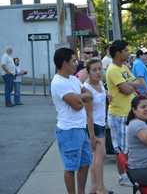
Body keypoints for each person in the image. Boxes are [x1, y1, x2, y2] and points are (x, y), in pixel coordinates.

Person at [51, 48, 95, 194]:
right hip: (68, 130)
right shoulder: (58, 82)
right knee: (70, 168)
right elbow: (77, 106)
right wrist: (81, 98)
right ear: (64, 63)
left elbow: (89, 95)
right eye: (73, 61)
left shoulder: (74, 79)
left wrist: (79, 97)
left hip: (80, 128)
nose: (77, 63)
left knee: (85, 163)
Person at [106, 40, 141, 186]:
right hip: (118, 115)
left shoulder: (124, 67)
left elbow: (139, 82)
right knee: (121, 148)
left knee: (129, 147)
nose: (128, 53)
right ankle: (123, 176)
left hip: (128, 113)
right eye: (126, 50)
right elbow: (127, 89)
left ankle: (129, 174)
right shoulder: (113, 69)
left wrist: (130, 85)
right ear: (118, 53)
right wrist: (130, 85)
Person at [84, 58, 113, 194]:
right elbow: (88, 115)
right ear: (88, 72)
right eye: (94, 70)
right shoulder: (87, 89)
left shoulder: (100, 83)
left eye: (99, 69)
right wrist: (91, 136)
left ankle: (94, 187)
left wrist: (108, 95)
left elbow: (102, 96)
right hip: (94, 125)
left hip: (101, 122)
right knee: (99, 158)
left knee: (99, 156)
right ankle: (101, 188)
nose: (98, 72)